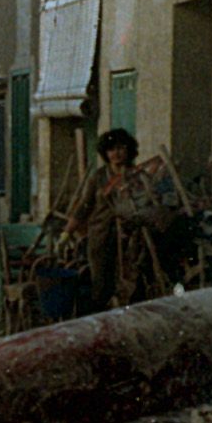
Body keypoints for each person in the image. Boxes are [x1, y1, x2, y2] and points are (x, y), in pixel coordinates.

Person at [64, 127, 140, 311]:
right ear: (106, 153)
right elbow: (84, 206)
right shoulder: (98, 178)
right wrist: (67, 232)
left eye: (121, 148)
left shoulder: (137, 175)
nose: (117, 153)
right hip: (101, 236)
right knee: (101, 283)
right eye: (112, 149)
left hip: (130, 237)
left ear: (129, 149)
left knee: (131, 281)